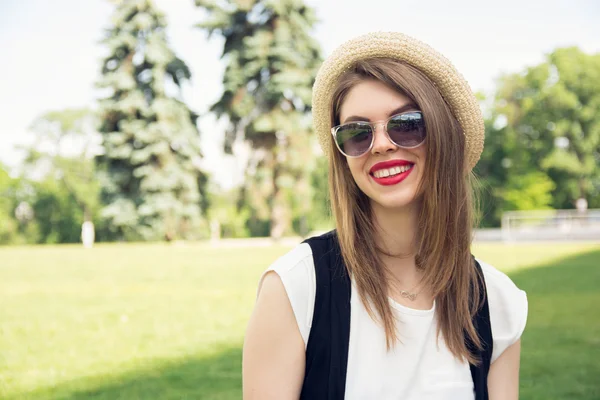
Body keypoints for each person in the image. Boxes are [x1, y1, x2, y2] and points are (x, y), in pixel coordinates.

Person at [243, 32, 528, 400]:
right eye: (357, 132)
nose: (381, 144)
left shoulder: (497, 301)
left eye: (406, 123)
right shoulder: (296, 288)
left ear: (442, 133)